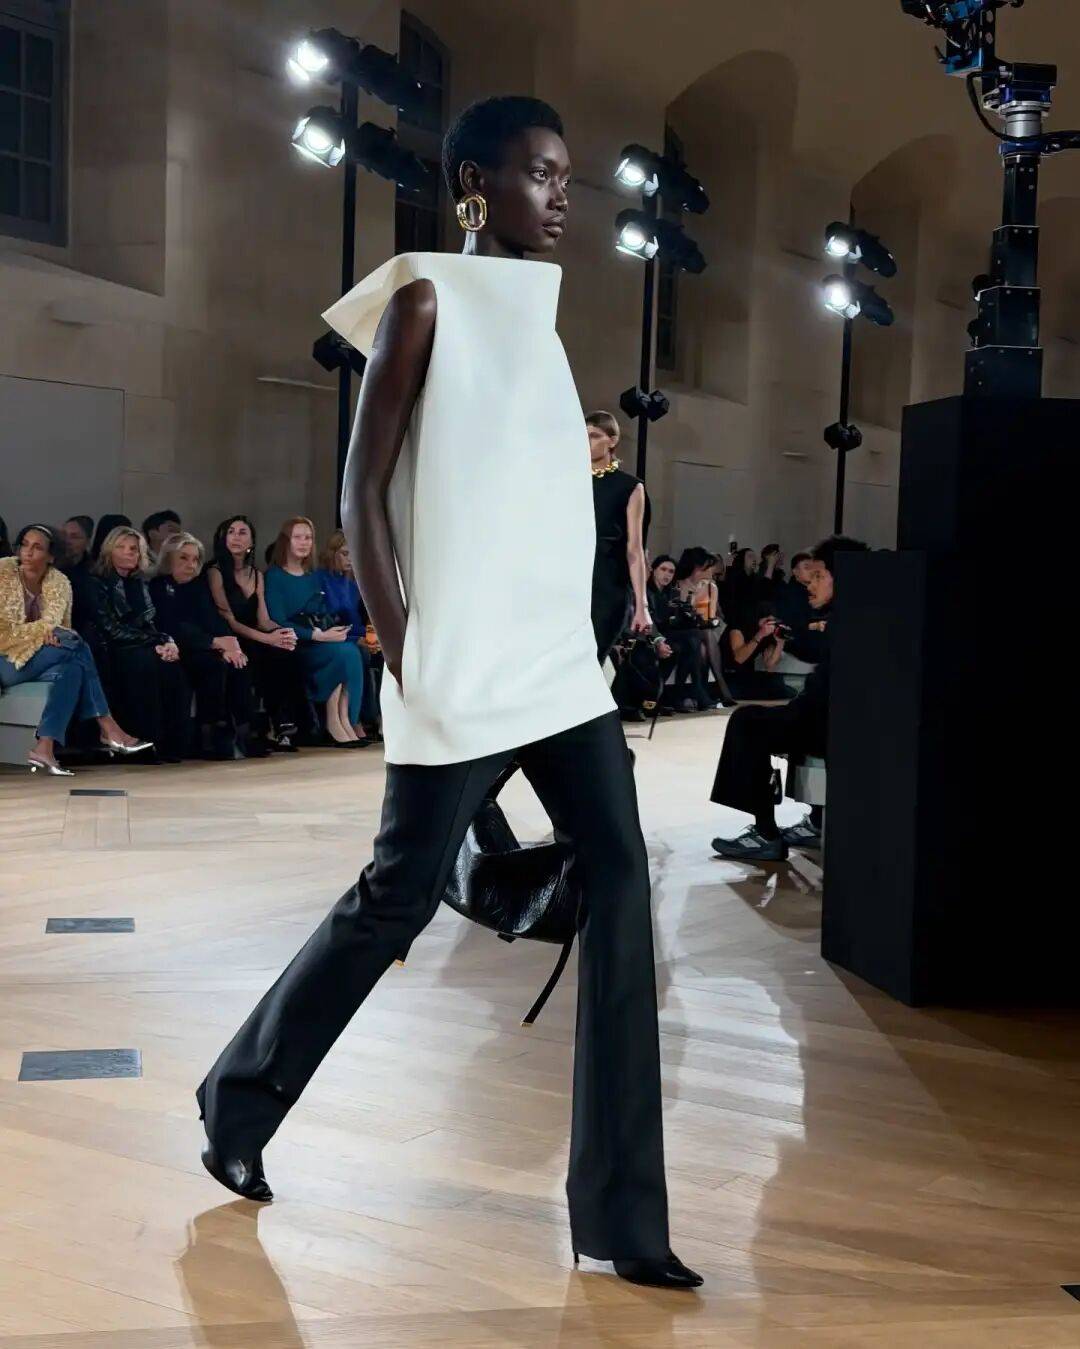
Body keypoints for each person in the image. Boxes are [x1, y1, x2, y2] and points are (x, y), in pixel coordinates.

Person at [196, 95, 701, 1292]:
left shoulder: (543, 323)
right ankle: (238, 1099)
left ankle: (623, 1217)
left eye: (568, 175)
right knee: (395, 900)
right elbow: (361, 491)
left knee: (622, 884)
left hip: (558, 670)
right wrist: (403, 644)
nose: (563, 196)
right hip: (460, 664)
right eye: (541, 173)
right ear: (477, 183)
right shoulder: (424, 298)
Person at [710, 535, 869, 862]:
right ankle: (817, 821)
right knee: (766, 718)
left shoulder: (847, 622)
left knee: (747, 722)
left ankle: (766, 834)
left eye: (819, 576)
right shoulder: (855, 616)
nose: (811, 583)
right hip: (826, 716)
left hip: (828, 722)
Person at [0, 525, 149, 774]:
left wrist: (50, 634)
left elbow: (60, 630)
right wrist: (42, 632)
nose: (27, 552)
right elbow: (4, 632)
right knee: (76, 644)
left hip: (37, 658)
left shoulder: (59, 583)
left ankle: (45, 747)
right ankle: (108, 725)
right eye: (24, 545)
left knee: (71, 668)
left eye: (37, 547)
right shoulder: (3, 574)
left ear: (51, 556)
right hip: (3, 660)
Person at [151, 533, 261, 759]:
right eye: (183, 558)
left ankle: (245, 732)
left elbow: (213, 620)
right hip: (174, 647)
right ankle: (209, 732)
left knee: (239, 663)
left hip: (202, 646)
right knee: (213, 665)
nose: (191, 565)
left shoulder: (199, 587)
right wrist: (214, 643)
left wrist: (231, 645)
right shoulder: (158, 587)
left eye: (195, 559)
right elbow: (171, 625)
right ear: (169, 558)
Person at [264, 517, 370, 747]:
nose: (304, 542)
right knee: (344, 653)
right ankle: (335, 722)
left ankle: (345, 720)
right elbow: (278, 620)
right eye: (298, 537)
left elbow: (321, 612)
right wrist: (316, 635)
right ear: (286, 541)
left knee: (349, 650)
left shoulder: (311, 576)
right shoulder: (274, 576)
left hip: (319, 639)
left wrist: (331, 631)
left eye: (308, 538)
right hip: (296, 645)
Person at [206, 515, 305, 751]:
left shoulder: (256, 574)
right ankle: (252, 731)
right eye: (231, 532)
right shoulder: (214, 571)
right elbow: (228, 619)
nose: (236, 537)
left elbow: (263, 620)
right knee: (259, 655)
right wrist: (268, 638)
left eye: (243, 532)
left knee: (287, 650)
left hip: (255, 635)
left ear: (251, 541)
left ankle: (281, 725)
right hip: (230, 637)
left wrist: (282, 633)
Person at [92, 525, 190, 762]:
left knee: (172, 665)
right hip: (110, 648)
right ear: (109, 551)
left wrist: (167, 642)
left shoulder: (139, 583)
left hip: (140, 644)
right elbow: (111, 629)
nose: (129, 552)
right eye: (121, 547)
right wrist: (154, 642)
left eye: (134, 549)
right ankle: (146, 743)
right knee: (146, 663)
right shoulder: (96, 583)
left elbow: (149, 623)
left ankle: (172, 745)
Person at [585, 411, 651, 663]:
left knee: (593, 660)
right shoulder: (570, 481)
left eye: (594, 436)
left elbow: (634, 549)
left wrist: (641, 606)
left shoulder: (629, 487)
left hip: (608, 587)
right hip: (570, 585)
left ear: (612, 440)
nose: (587, 442)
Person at [315, 529, 379, 731]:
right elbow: (324, 620)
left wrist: (369, 637)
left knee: (377, 652)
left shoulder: (350, 585)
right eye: (345, 553)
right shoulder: (319, 579)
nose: (350, 559)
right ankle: (354, 719)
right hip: (326, 637)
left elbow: (354, 622)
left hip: (348, 635)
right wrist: (355, 638)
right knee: (359, 653)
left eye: (354, 554)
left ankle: (371, 718)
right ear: (332, 553)